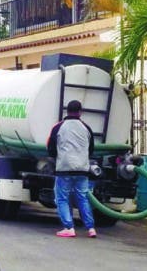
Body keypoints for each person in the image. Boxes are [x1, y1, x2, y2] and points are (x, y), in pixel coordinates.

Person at [47, 100, 96, 238]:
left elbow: (50, 148)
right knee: (83, 198)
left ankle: (68, 227)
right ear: (80, 112)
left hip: (64, 168)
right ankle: (91, 228)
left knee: (62, 198)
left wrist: (59, 157)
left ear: (66, 111)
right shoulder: (86, 127)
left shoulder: (58, 127)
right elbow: (91, 149)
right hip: (82, 169)